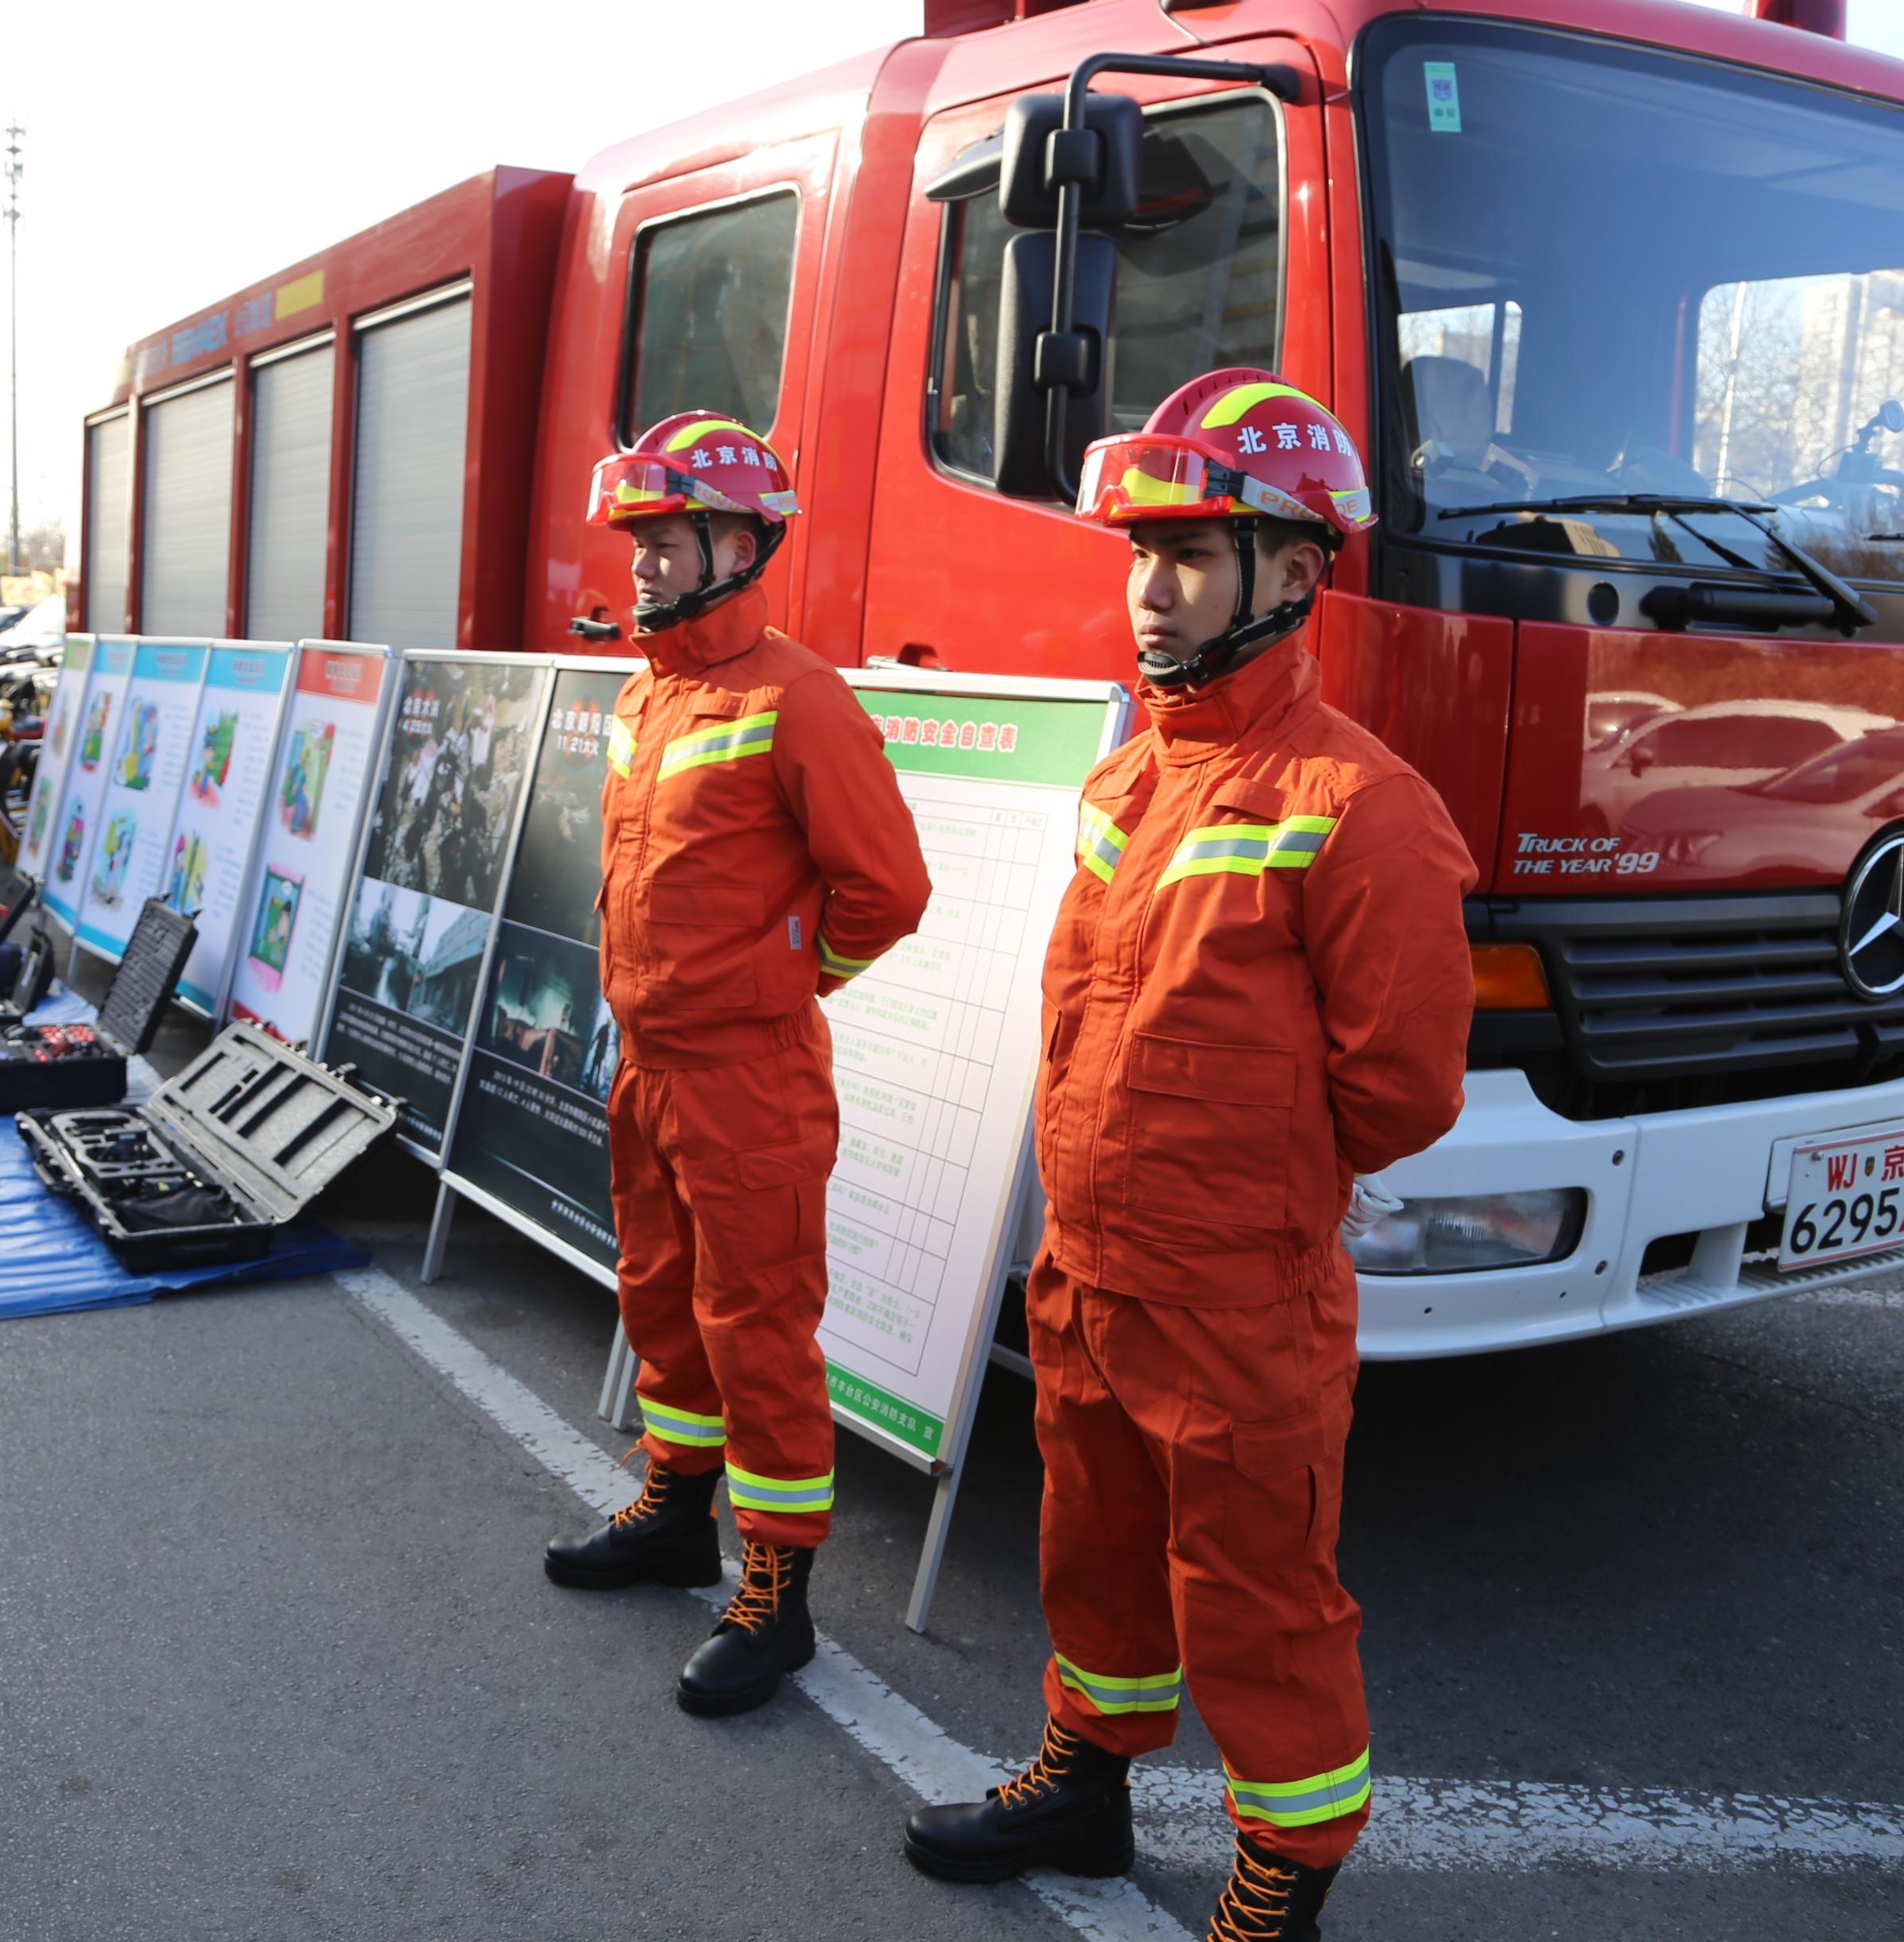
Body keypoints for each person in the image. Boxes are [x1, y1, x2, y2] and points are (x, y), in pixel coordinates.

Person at [901, 371, 1475, 1942]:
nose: (1150, 591)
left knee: (1258, 1594)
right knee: (1092, 1552)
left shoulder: (1363, 807)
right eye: (1140, 555)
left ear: (1290, 573)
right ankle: (1085, 1782)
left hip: (1238, 1298)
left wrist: (1247, 1190)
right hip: (1089, 1267)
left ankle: (1285, 1866)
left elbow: (1403, 1087)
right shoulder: (1127, 777)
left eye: (1191, 557)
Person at [542, 413, 930, 1716]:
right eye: (639, 539)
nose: (645, 561)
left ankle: (776, 1593)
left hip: (748, 1077)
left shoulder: (796, 698)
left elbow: (888, 887)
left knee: (757, 1331)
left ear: (742, 544)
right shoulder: (646, 693)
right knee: (662, 1301)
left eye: (671, 537)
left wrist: (788, 981)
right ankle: (674, 1514)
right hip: (647, 1064)